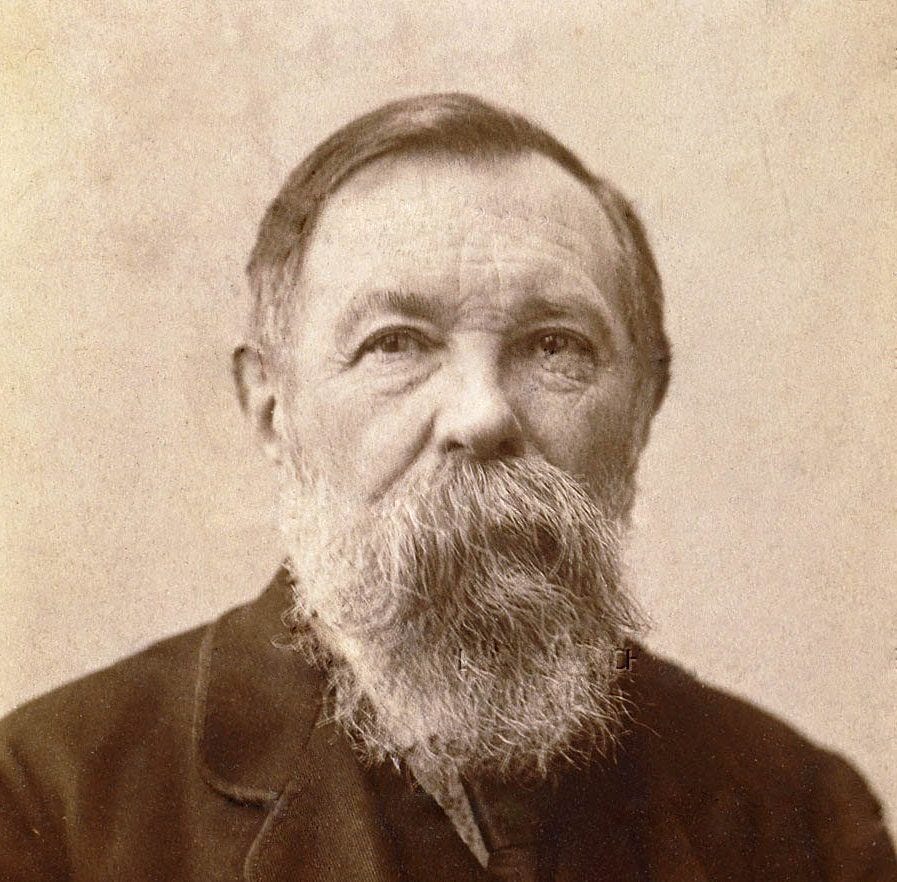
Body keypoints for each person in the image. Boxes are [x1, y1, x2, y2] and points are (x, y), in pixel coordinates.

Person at [1, 92, 893, 881]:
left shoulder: (804, 821)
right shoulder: (51, 804)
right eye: (396, 343)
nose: (482, 413)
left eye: (554, 345)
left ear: (643, 406)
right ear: (272, 408)